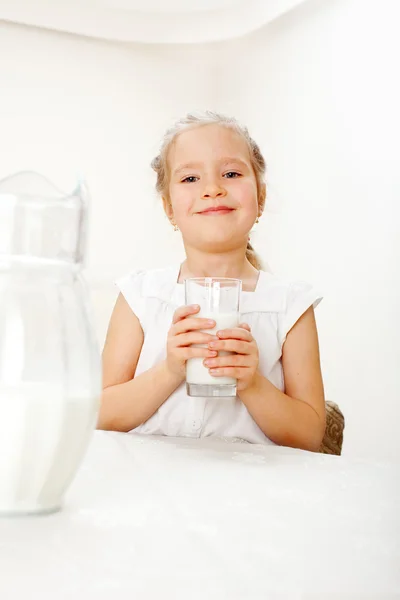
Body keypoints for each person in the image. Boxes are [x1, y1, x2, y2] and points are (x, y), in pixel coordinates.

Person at [98, 111, 326, 451]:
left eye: (231, 173)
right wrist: (171, 370)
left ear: (260, 198)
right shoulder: (141, 295)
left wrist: (251, 383)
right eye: (190, 179)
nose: (213, 189)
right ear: (169, 209)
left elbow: (309, 435)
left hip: (253, 486)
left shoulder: (289, 305)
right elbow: (99, 414)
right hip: (151, 482)